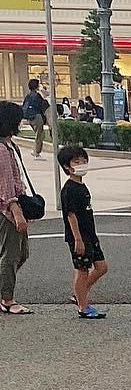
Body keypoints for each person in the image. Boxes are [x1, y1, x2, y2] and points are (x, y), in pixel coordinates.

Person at [58, 146, 109, 320]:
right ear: (67, 167)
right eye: (77, 162)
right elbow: (71, 215)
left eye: (84, 161)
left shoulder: (81, 186)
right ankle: (83, 305)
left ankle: (80, 293)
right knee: (82, 269)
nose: (82, 164)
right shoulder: (70, 189)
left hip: (90, 235)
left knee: (101, 267)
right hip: (79, 237)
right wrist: (77, 239)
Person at [0, 100, 34, 315]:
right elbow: (5, 184)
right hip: (7, 209)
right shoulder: (2, 149)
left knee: (21, 253)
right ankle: (8, 299)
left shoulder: (9, 145)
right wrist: (16, 211)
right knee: (11, 255)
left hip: (13, 205)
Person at [20, 79, 48, 159]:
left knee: (38, 134)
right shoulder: (37, 95)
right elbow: (43, 104)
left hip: (30, 116)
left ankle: (35, 150)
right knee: (40, 134)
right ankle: (37, 152)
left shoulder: (28, 95)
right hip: (37, 116)